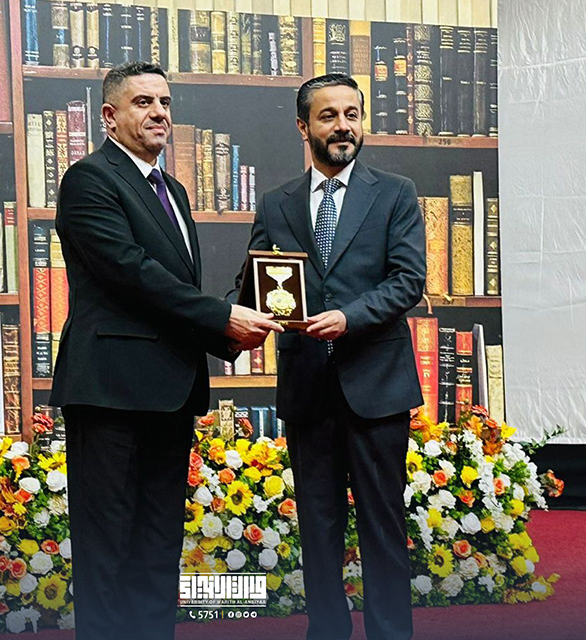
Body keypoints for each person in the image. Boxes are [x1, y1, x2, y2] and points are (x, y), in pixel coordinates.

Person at [50, 61, 282, 639]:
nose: (159, 113)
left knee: (157, 548)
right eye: (143, 102)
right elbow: (132, 273)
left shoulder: (173, 190)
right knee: (107, 549)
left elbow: (172, 289)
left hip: (170, 391)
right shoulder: (88, 179)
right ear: (109, 116)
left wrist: (226, 331)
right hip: (109, 392)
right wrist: (223, 318)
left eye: (165, 102)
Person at [229, 74, 426, 640]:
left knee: (383, 524)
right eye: (328, 115)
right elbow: (253, 283)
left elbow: (408, 280)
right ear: (303, 126)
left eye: (352, 114)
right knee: (317, 527)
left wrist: (349, 317)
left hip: (377, 386)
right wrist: (229, 320)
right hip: (307, 388)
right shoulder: (277, 203)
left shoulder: (396, 193)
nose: (343, 126)